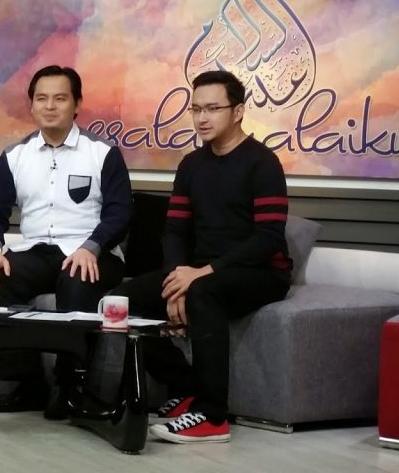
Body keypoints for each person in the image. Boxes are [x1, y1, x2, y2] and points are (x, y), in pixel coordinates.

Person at [112, 70, 291, 443]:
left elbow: (268, 238)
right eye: (196, 109)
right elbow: (174, 231)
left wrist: (200, 275)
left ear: (238, 111)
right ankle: (186, 387)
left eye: (212, 109)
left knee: (203, 292)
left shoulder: (262, 163)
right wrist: (176, 279)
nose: (202, 118)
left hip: (260, 272)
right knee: (120, 302)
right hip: (203, 272)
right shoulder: (191, 165)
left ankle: (212, 417)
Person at [0, 65, 133, 420]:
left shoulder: (101, 153)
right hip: (35, 250)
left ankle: (72, 386)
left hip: (92, 250)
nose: (50, 106)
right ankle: (29, 384)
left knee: (78, 278)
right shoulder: (15, 156)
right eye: (41, 98)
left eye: (60, 98)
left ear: (77, 104)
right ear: (31, 105)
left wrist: (92, 246)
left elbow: (120, 213)